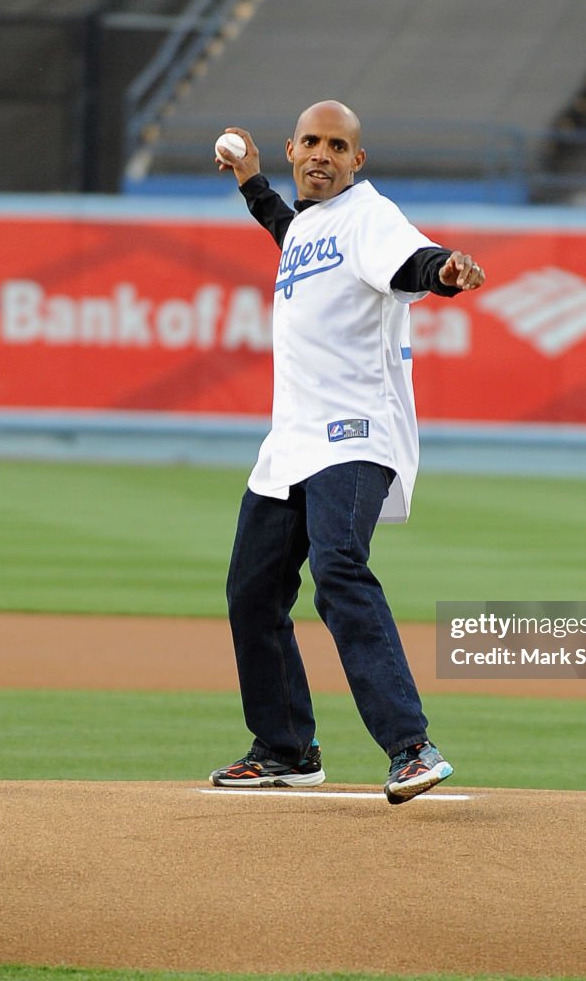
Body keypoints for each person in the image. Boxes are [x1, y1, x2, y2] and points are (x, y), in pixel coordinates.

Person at [207, 100, 485, 804]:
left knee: (337, 567)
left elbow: (411, 261)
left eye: (337, 144)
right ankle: (286, 748)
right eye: (311, 141)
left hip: (355, 432)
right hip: (291, 441)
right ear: (292, 149)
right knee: (252, 590)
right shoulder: (307, 225)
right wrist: (250, 182)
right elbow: (287, 227)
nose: (322, 154)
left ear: (357, 159)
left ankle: (410, 746)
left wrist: (443, 271)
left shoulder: (369, 217)